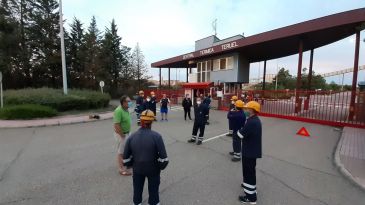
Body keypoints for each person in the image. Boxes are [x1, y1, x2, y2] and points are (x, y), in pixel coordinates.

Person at [123, 109, 169, 205]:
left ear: (141, 120)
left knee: (137, 188)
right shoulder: (157, 137)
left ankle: (137, 202)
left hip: (137, 169)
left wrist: (133, 165)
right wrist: (158, 167)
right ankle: (153, 202)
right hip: (153, 169)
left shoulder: (131, 137)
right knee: (153, 189)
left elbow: (125, 159)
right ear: (152, 121)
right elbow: (164, 159)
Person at [237, 101, 262, 204]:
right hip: (252, 151)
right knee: (250, 172)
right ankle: (251, 189)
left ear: (252, 110)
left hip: (249, 152)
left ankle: (251, 198)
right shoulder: (254, 119)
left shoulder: (252, 122)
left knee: (248, 173)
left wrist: (239, 130)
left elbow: (240, 134)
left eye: (247, 108)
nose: (245, 110)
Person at [113, 95, 132, 176]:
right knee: (121, 152)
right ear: (123, 102)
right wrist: (122, 135)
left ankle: (127, 164)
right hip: (121, 134)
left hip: (127, 132)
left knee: (127, 150)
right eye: (128, 101)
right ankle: (121, 169)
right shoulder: (118, 111)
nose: (130, 103)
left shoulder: (126, 109)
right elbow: (116, 124)